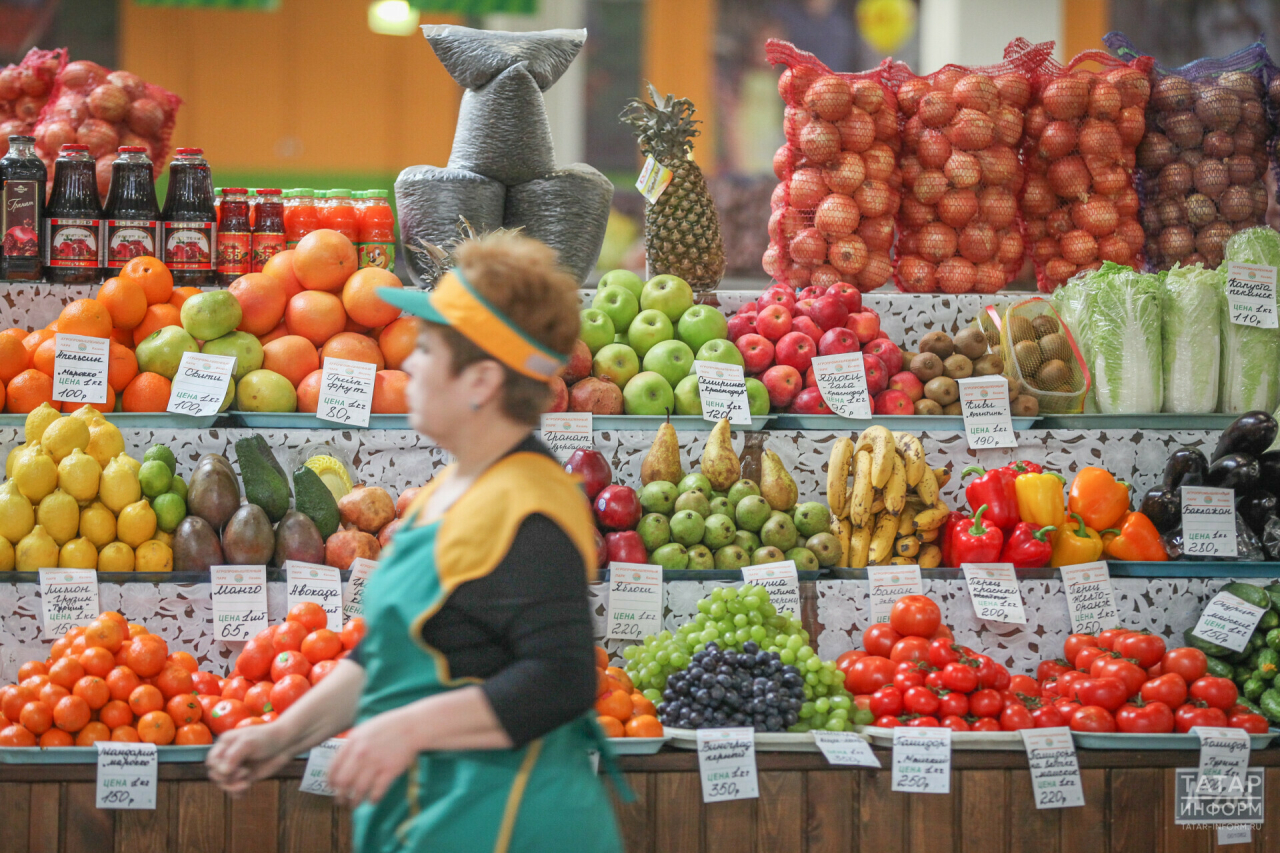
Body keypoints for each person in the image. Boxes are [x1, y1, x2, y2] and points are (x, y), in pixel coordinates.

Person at [207, 233, 623, 853]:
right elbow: (387, 654)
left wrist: (406, 729)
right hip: (438, 818)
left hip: (512, 824)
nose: (408, 364)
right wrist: (281, 735)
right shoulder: (445, 492)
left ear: (481, 379)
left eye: (429, 349)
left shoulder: (529, 506)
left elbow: (560, 678)